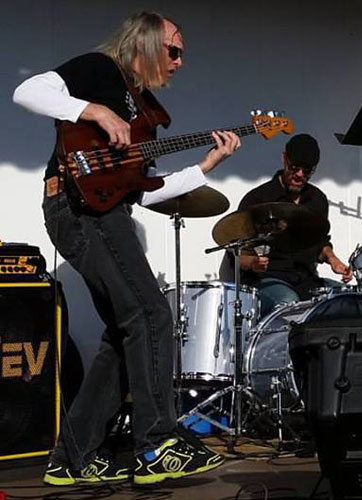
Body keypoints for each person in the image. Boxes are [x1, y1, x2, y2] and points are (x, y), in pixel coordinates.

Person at [13, 12, 240, 486]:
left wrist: (206, 166)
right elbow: (27, 91)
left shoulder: (146, 112)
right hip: (80, 211)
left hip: (101, 212)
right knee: (152, 316)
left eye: (183, 53)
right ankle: (157, 443)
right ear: (145, 42)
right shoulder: (100, 71)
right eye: (173, 49)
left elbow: (142, 192)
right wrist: (92, 110)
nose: (180, 60)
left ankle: (72, 458)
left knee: (125, 333)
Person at [237, 133, 352, 316]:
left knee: (350, 298)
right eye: (294, 168)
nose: (299, 175)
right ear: (284, 159)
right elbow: (237, 254)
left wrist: (333, 260)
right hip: (268, 281)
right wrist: (252, 263)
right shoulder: (258, 199)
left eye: (307, 171)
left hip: (307, 280)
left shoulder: (317, 199)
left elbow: (320, 244)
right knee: (289, 303)